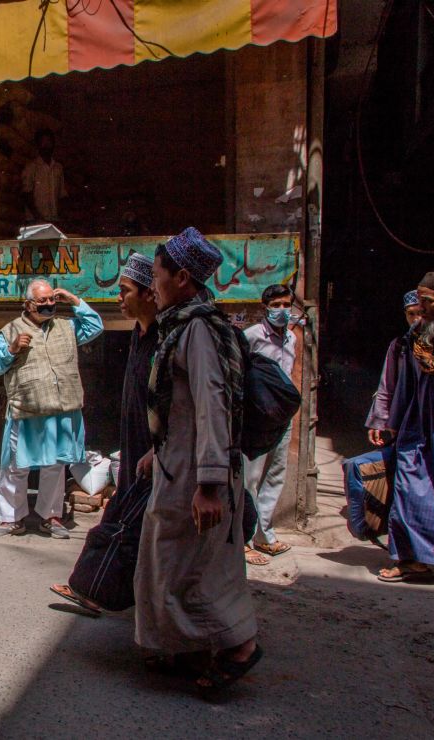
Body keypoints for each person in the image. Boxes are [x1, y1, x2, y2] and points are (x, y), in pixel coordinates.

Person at [135, 227, 260, 697]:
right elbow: (183, 407)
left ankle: (240, 646)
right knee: (173, 562)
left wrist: (208, 485)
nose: (153, 285)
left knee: (200, 567)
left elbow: (212, 404)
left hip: (197, 473)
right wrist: (158, 448)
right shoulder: (181, 325)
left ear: (182, 277)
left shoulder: (199, 330)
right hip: (178, 464)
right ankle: (184, 647)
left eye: (159, 274)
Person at [51, 253, 157, 611]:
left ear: (149, 293)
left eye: (125, 290)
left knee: (127, 525)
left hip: (155, 453)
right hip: (138, 450)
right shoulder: (141, 334)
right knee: (120, 519)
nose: (119, 298)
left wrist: (160, 448)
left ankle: (101, 591)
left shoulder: (167, 337)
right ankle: (96, 590)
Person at [0, 279, 104, 538]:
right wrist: (12, 349)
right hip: (25, 411)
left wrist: (73, 300)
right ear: (28, 305)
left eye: (52, 299)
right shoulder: (10, 330)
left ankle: (50, 517)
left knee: (55, 465)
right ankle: (10, 519)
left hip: (60, 411)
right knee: (16, 466)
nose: (49, 304)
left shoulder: (67, 326)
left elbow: (96, 325)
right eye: (42, 301)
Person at [378, 271, 434, 588]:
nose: (421, 308)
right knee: (410, 481)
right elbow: (404, 385)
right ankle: (412, 559)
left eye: (428, 302)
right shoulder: (417, 336)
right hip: (420, 421)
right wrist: (392, 423)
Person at [341, 290, 422, 540]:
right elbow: (387, 385)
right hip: (407, 424)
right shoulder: (400, 346)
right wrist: (381, 420)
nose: (417, 319)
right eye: (412, 314)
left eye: (422, 313)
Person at [241, 284, 299, 565]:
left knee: (275, 475)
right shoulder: (252, 336)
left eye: (286, 304)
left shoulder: (291, 338)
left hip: (282, 417)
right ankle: (245, 539)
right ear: (265, 308)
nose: (282, 310)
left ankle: (265, 536)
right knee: (250, 479)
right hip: (258, 418)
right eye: (275, 305)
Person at [21, 129, 67, 224]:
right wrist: (38, 217)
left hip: (54, 219)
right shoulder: (31, 167)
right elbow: (26, 194)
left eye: (49, 142)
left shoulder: (58, 168)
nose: (46, 145)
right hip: (35, 221)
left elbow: (62, 194)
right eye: (43, 142)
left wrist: (62, 216)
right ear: (38, 145)